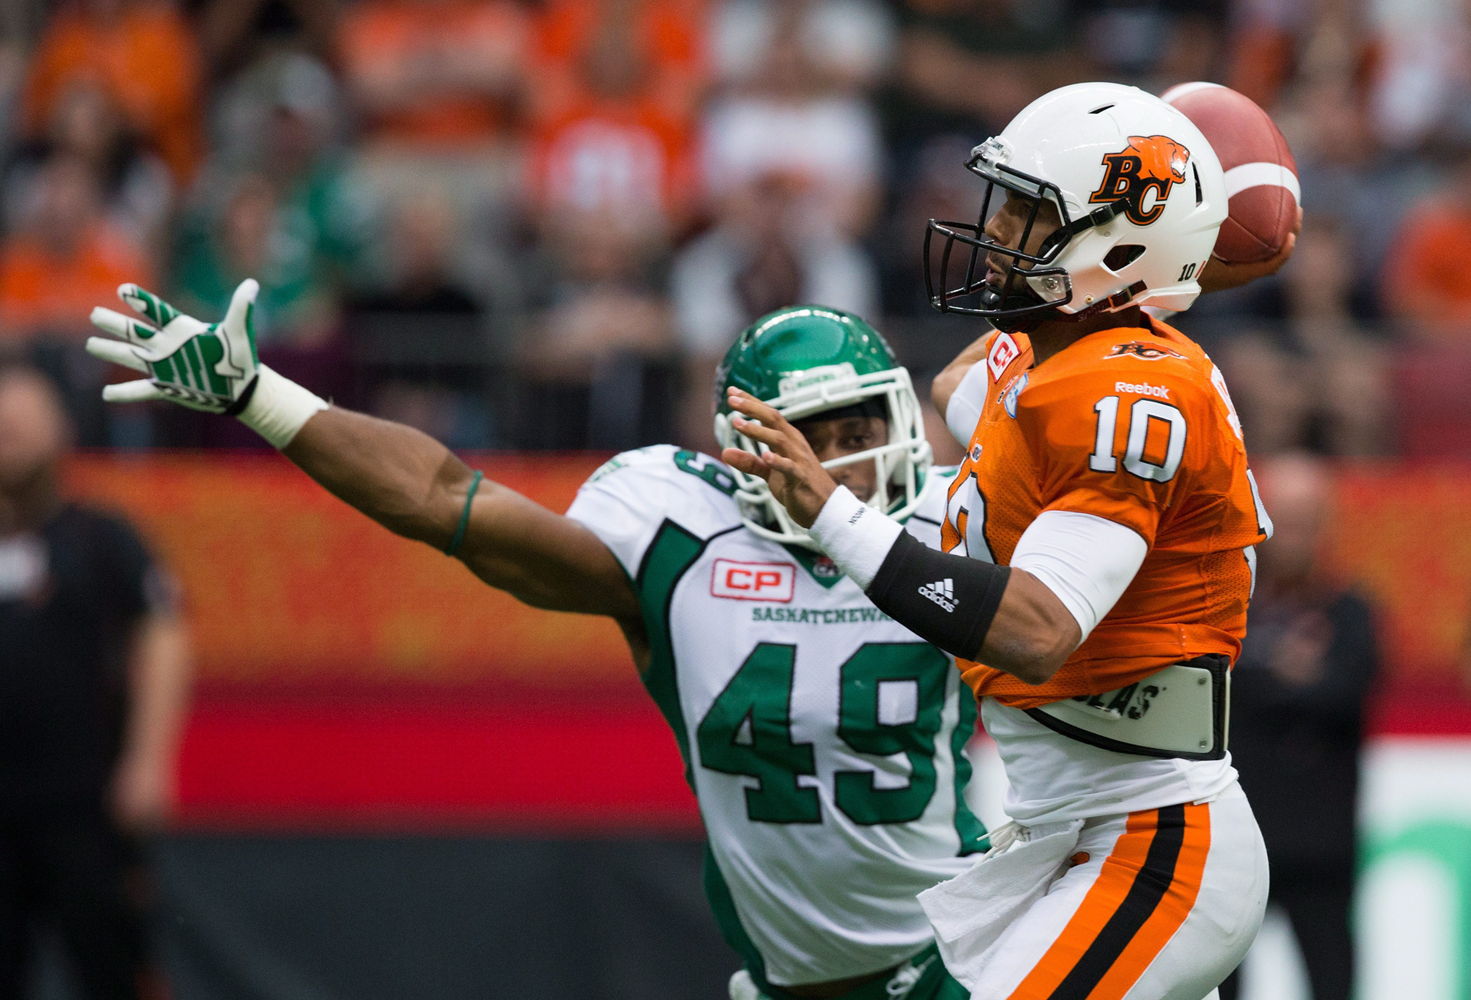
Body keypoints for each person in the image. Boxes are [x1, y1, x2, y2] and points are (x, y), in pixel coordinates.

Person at [83, 287, 984, 1000]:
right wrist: (259, 397)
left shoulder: (956, 526)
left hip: (970, 958)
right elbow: (445, 500)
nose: (835, 464)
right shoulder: (680, 531)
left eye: (857, 432)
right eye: (801, 436)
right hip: (793, 981)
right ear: (737, 447)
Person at [721, 82, 1275, 999]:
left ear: (1116, 243)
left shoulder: (1131, 393)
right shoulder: (1050, 356)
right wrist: (1155, 259)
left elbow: (1034, 629)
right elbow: (962, 389)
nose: (996, 232)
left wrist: (832, 514)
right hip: (1071, 829)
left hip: (1153, 835)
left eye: (1026, 212)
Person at [0, 363, 191, 1000]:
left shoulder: (102, 539)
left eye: (22, 421)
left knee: (111, 972)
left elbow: (165, 632)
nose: (8, 432)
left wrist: (149, 759)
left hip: (87, 811)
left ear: (61, 432)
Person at [1218, 453, 1378, 1000]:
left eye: (1308, 519)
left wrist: (1258, 669)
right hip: (1239, 842)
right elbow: (1214, 684)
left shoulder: (1353, 611)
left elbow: (1348, 689)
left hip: (1323, 850)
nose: (1295, 535)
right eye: (1284, 518)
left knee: (1334, 982)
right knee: (1222, 984)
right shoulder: (1225, 608)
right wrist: (1283, 668)